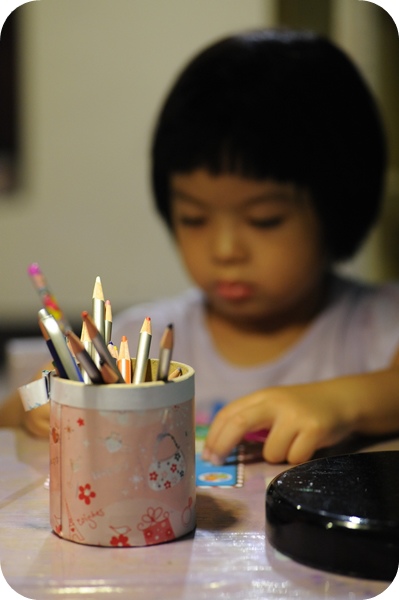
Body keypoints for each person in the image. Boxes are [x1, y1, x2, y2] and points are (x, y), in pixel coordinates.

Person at [3, 28, 399, 465]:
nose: (225, 250)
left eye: (264, 220)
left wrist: (340, 404)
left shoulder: (378, 327)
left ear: (339, 207)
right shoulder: (139, 341)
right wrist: (39, 402)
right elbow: (13, 409)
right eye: (194, 218)